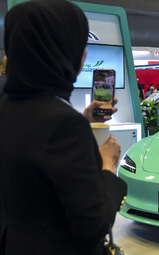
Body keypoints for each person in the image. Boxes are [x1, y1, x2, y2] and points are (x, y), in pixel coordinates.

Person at [0, 1, 127, 254]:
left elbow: (33, 143)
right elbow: (93, 225)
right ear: (65, 52)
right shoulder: (64, 125)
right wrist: (108, 166)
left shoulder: (6, 103)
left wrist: (82, 119)